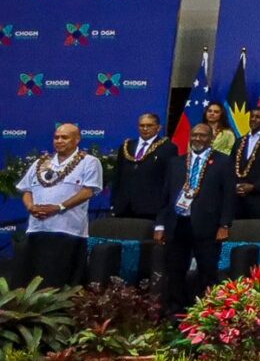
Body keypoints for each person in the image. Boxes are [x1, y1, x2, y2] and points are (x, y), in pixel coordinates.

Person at [153, 124, 232, 310]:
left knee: (207, 271)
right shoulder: (176, 163)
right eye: (194, 135)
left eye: (202, 135)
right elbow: (165, 196)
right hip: (177, 224)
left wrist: (225, 225)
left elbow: (229, 196)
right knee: (175, 270)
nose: (197, 139)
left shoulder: (223, 162)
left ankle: (207, 311)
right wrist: (159, 226)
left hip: (208, 226)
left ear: (211, 138)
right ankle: (176, 310)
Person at [14, 124, 101, 287]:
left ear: (77, 139)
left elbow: (88, 191)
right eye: (56, 137)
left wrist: (58, 207)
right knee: (32, 280)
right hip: (37, 229)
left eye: (65, 137)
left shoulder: (89, 162)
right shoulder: (40, 163)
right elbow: (26, 189)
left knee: (59, 279)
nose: (59, 141)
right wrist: (30, 207)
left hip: (68, 231)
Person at [107, 112, 177, 221]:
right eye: (142, 125)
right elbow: (118, 176)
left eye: (149, 125)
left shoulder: (168, 148)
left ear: (158, 128)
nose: (145, 128)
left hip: (151, 209)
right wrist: (114, 202)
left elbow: (169, 180)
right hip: (124, 208)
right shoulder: (127, 146)